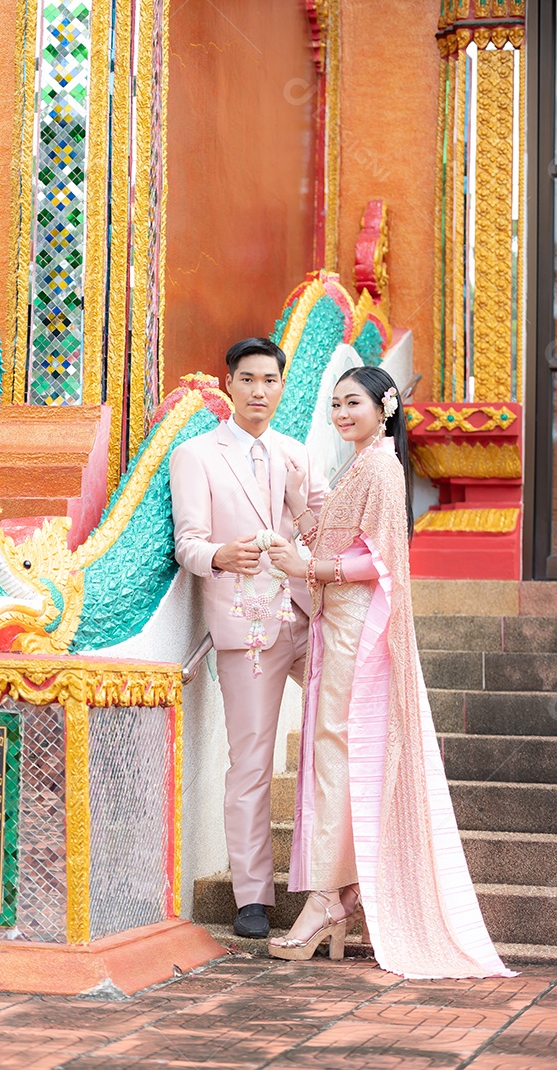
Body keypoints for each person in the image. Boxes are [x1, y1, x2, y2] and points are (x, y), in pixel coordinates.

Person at [264, 365, 513, 978]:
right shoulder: (364, 464)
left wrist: (308, 568)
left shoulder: (379, 466)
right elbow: (341, 542)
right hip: (340, 629)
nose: (341, 413)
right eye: (335, 404)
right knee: (334, 755)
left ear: (385, 406)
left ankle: (328, 898)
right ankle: (341, 893)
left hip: (355, 631)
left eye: (352, 403)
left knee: (334, 754)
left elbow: (377, 562)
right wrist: (303, 521)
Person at [170, 337, 328, 938]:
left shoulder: (297, 454)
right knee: (252, 762)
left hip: (308, 617)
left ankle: (334, 883)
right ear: (228, 384)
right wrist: (218, 555)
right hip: (246, 627)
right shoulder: (197, 455)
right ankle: (253, 895)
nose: (260, 391)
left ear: (283, 387)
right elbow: (188, 541)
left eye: (270, 380)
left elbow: (320, 530)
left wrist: (298, 502)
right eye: (249, 380)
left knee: (337, 743)